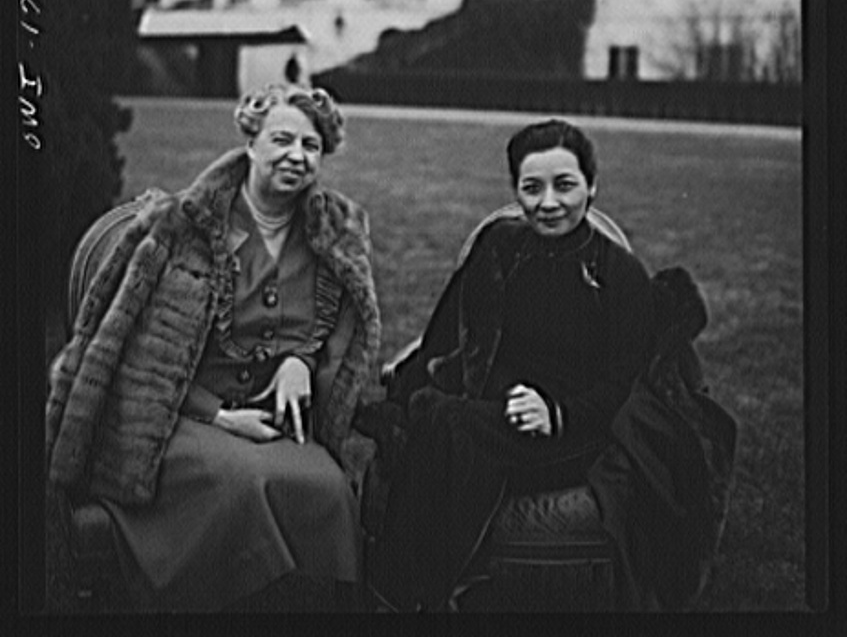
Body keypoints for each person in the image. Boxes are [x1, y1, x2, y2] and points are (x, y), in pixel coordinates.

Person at [46, 84, 381, 612]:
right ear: (251, 144)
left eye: (311, 146)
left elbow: (336, 329)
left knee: (327, 488)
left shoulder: (330, 235)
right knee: (242, 483)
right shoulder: (181, 228)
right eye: (282, 140)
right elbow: (138, 358)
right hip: (178, 417)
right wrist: (221, 418)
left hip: (274, 421)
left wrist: (300, 361)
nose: (297, 155)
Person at [366, 117, 656, 611]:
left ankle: (415, 592)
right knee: (428, 409)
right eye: (532, 187)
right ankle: (413, 587)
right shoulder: (499, 244)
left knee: (448, 422)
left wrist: (557, 412)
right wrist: (416, 385)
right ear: (516, 191)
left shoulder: (618, 273)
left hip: (574, 430)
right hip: (496, 406)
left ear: (592, 186)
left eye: (565, 185)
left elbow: (626, 382)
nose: (548, 203)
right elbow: (450, 329)